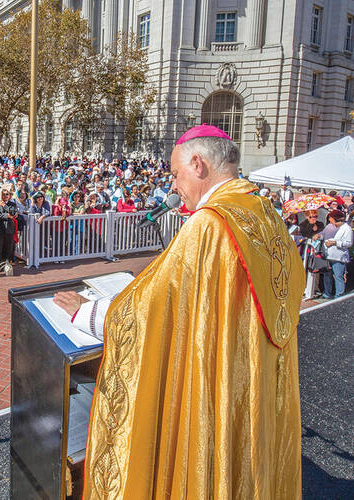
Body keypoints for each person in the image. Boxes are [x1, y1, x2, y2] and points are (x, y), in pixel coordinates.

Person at [54, 125, 305, 499]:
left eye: (175, 173)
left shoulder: (209, 224)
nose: (174, 185)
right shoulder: (261, 211)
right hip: (256, 372)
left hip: (219, 374)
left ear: (198, 164)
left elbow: (150, 315)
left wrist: (87, 313)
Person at [321, 209, 352, 298]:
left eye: (331, 219)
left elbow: (349, 243)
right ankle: (327, 293)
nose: (330, 221)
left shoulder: (347, 229)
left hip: (338, 257)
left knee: (338, 276)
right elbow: (324, 234)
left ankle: (339, 295)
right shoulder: (333, 227)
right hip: (329, 255)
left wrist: (335, 243)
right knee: (327, 275)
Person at [0, 189, 18, 268]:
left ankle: (8, 264)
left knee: (9, 247)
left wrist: (5, 206)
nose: (5, 196)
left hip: (9, 228)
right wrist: (6, 215)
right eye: (3, 194)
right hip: (0, 228)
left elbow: (13, 213)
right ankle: (0, 264)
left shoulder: (12, 204)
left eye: (7, 194)